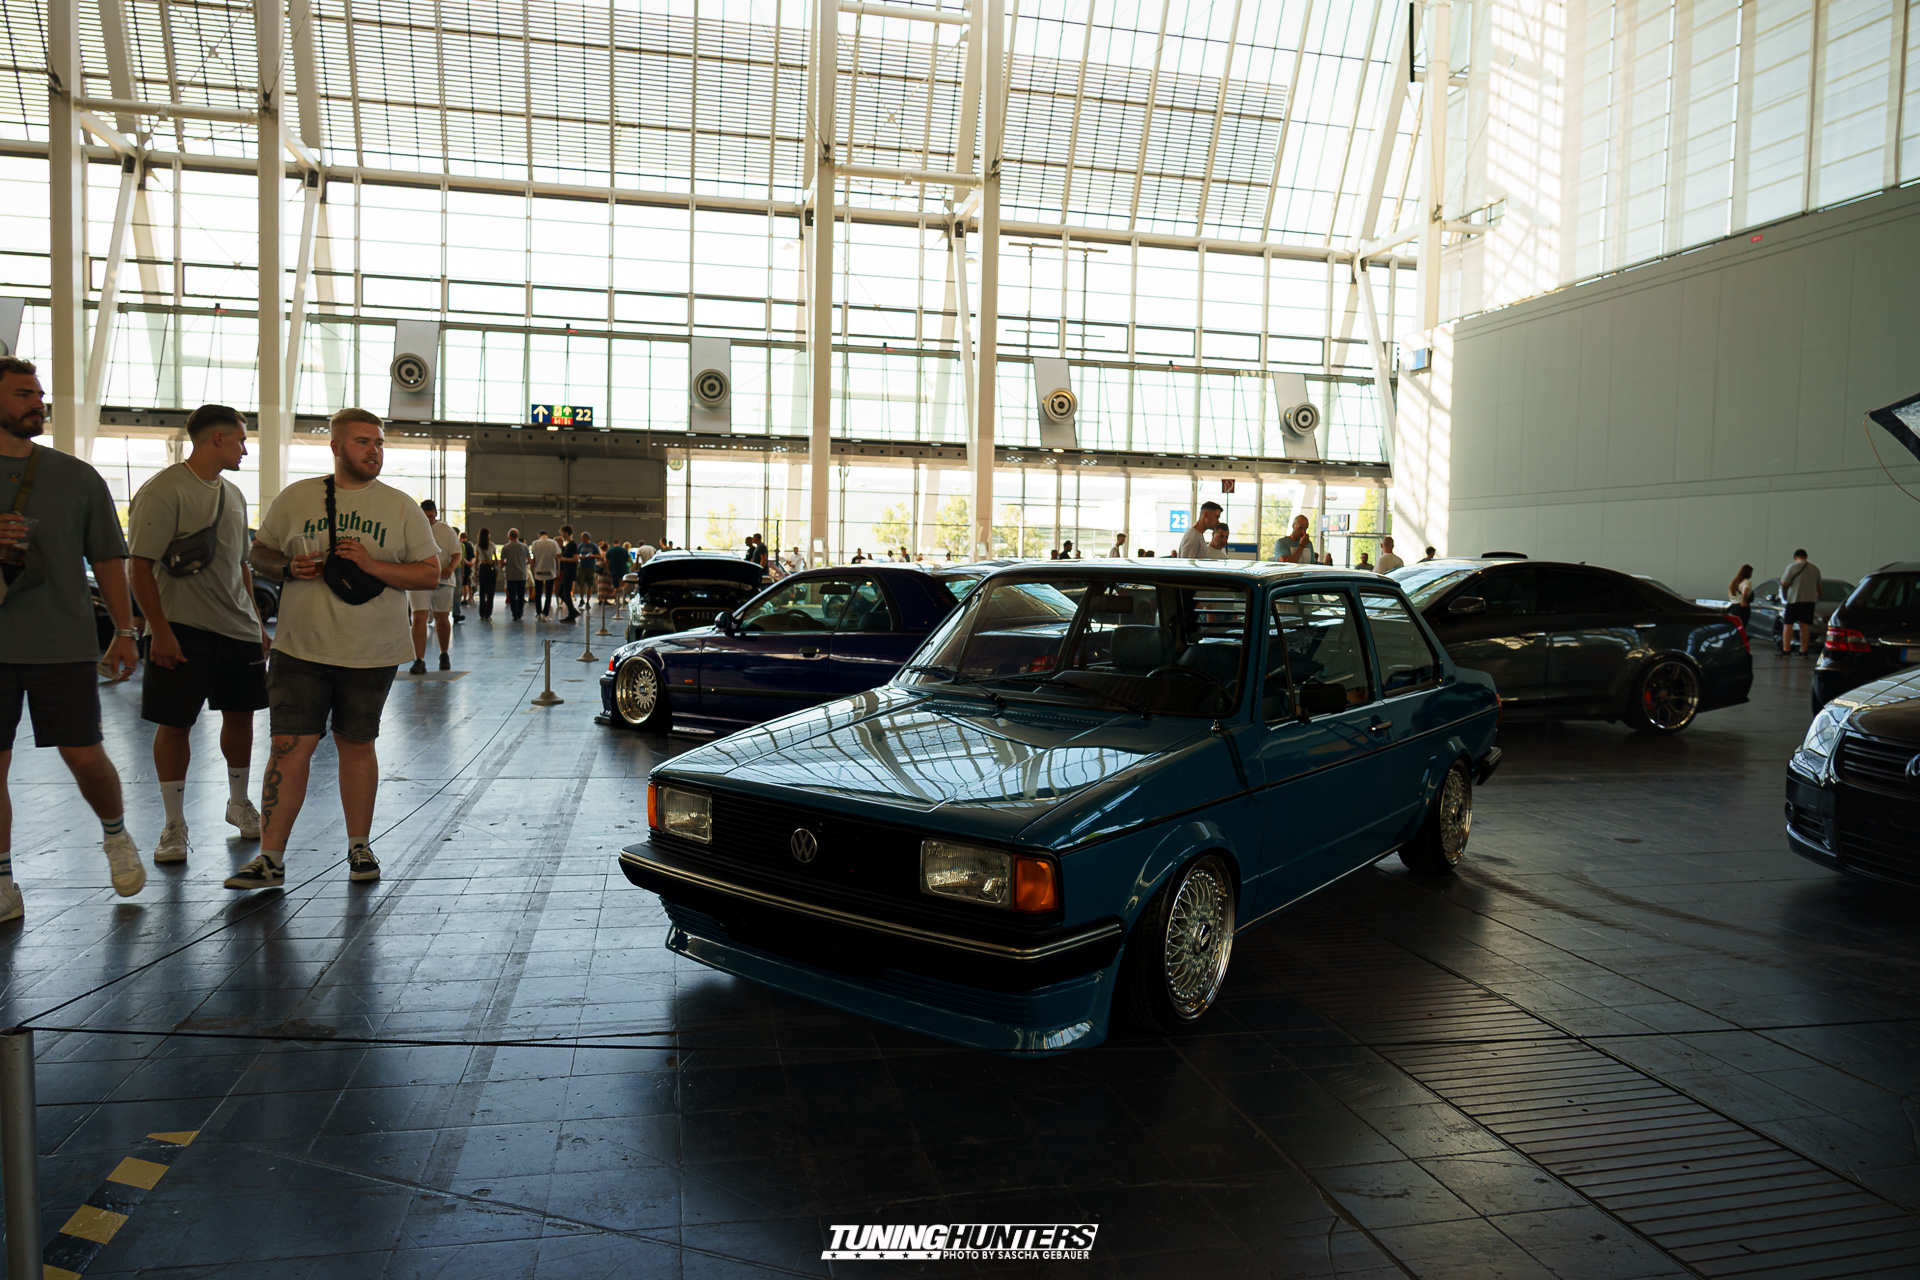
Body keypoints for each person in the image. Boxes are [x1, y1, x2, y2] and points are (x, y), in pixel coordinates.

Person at [232, 407, 440, 889]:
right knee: (289, 746)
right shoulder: (297, 497)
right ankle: (270, 858)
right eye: (363, 442)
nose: (374, 451)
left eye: (379, 442)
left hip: (371, 651)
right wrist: (287, 567)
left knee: (357, 744)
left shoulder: (400, 507)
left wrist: (370, 564)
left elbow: (429, 573)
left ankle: (359, 845)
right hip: (300, 648)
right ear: (336, 447)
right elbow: (259, 552)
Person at [0, 356, 147, 917]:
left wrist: (126, 630)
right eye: (22, 394)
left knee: (84, 756)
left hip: (60, 642)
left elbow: (108, 558)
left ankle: (115, 834)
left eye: (38, 394)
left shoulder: (76, 477)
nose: (37, 403)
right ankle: (4, 881)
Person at [127, 403, 270, 866]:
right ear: (217, 438)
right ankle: (174, 824)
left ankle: (239, 803)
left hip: (238, 630)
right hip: (182, 630)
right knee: (175, 724)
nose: (245, 450)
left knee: (242, 718)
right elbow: (139, 566)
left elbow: (241, 566)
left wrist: (256, 624)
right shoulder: (164, 490)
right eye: (241, 440)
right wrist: (160, 631)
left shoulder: (234, 494)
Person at [407, 499, 461, 674]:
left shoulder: (446, 530)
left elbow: (457, 553)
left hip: (443, 580)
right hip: (419, 580)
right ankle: (419, 659)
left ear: (436, 514)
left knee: (442, 618)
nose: (428, 520)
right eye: (425, 516)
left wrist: (450, 568)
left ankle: (444, 654)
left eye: (431, 516)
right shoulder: (411, 529)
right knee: (419, 617)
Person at [1780, 550, 1822, 657]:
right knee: (1804, 626)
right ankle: (1803, 651)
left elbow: (1784, 582)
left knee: (1788, 624)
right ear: (1806, 557)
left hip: (1794, 600)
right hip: (1809, 601)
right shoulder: (1815, 568)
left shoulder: (1792, 567)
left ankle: (1786, 650)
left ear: (1795, 557)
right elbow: (1819, 587)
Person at [500, 529, 530, 620]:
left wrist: (506, 564)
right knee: (521, 595)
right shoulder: (524, 546)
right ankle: (520, 613)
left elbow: (502, 562)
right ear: (517, 536)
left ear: (509, 536)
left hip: (510, 575)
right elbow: (529, 560)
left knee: (512, 595)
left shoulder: (506, 547)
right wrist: (523, 564)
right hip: (521, 574)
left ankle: (515, 614)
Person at [529, 529, 559, 617]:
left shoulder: (535, 543)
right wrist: (558, 569)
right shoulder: (553, 543)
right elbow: (557, 557)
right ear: (547, 535)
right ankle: (546, 614)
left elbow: (533, 558)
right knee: (548, 594)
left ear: (539, 535)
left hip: (538, 571)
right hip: (550, 571)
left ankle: (538, 613)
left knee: (538, 593)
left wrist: (532, 569)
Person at [554, 525, 581, 623]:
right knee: (560, 593)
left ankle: (571, 615)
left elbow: (575, 558)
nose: (561, 534)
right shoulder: (567, 544)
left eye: (562, 532)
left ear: (566, 532)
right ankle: (573, 612)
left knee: (565, 593)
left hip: (570, 572)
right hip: (566, 572)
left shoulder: (572, 544)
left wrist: (563, 559)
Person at [475, 528, 498, 621]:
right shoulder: (492, 545)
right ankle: (488, 614)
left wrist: (475, 572)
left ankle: (482, 613)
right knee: (490, 592)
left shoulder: (477, 546)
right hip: (491, 568)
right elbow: (495, 558)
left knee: (482, 591)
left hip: (482, 568)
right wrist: (497, 569)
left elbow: (477, 560)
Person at [575, 531, 599, 612]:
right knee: (580, 584)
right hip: (582, 567)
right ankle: (582, 599)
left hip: (591, 567)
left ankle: (588, 601)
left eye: (582, 538)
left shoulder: (593, 546)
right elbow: (576, 554)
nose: (581, 539)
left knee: (590, 585)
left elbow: (599, 555)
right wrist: (580, 557)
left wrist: (593, 556)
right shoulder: (580, 546)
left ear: (586, 538)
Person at [1727, 563, 1754, 629]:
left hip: (1733, 606)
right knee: (1742, 626)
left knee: (1734, 626)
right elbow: (1745, 592)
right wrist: (1744, 601)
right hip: (1742, 606)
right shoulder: (1746, 582)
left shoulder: (1733, 582)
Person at [456, 527, 474, 618]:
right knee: (467, 583)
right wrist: (470, 563)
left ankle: (461, 599)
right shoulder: (470, 545)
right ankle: (467, 598)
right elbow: (473, 556)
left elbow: (462, 557)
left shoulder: (460, 545)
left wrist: (466, 562)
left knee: (461, 584)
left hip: (461, 566)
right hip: (468, 567)